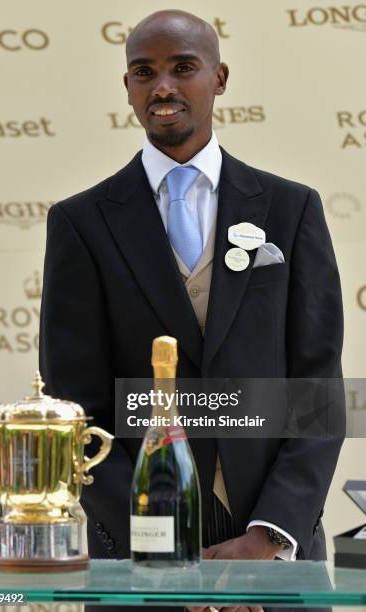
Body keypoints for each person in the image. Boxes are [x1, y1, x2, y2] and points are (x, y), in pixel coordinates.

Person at [39, 9, 344, 612]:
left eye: (183, 68)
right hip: (139, 567)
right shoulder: (80, 223)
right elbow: (79, 414)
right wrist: (164, 551)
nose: (163, 87)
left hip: (278, 557)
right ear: (127, 88)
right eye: (143, 72)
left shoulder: (292, 209)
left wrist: (267, 538)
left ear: (220, 77)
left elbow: (317, 393)